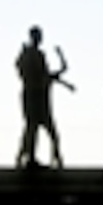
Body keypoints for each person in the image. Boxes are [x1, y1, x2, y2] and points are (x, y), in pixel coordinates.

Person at [15, 27, 72, 169]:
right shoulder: (29, 54)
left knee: (37, 130)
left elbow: (45, 74)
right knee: (34, 129)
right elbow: (32, 74)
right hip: (34, 96)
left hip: (39, 96)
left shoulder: (34, 54)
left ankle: (35, 157)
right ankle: (30, 158)